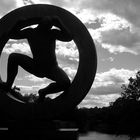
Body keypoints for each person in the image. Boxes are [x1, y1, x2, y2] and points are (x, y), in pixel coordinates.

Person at [1, 16, 73, 102]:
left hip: (52, 68)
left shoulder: (52, 33)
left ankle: (43, 92)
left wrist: (59, 23)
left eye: (50, 25)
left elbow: (69, 37)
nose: (49, 26)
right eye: (47, 24)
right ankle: (8, 85)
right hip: (36, 66)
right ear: (40, 23)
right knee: (13, 57)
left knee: (66, 83)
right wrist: (17, 24)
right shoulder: (30, 32)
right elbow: (12, 35)